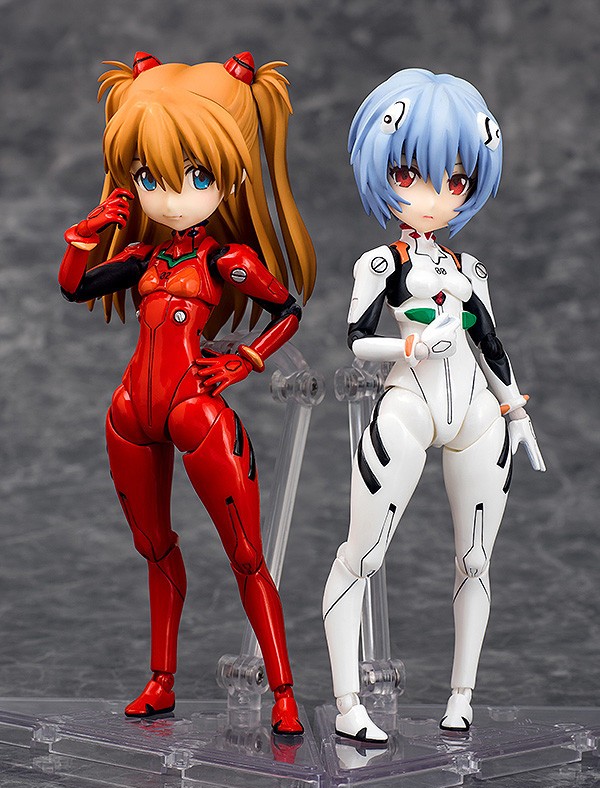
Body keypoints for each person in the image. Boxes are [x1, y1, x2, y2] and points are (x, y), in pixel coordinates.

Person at [58, 51, 316, 735]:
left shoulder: (225, 259)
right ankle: (161, 681)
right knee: (154, 547)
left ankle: (283, 692)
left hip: (195, 411)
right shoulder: (142, 257)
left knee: (246, 555)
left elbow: (287, 309)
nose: (171, 196)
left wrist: (246, 360)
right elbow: (74, 287)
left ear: (230, 174)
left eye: (196, 175)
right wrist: (84, 235)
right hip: (131, 411)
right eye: (150, 176)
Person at [322, 68, 544, 743]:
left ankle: (461, 697)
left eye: (456, 180)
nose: (433, 196)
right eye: (409, 174)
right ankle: (347, 704)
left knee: (475, 560)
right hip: (409, 402)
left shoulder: (469, 270)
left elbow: (490, 342)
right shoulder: (380, 264)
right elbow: (358, 340)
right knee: (362, 556)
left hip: (476, 412)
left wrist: (516, 411)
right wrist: (411, 346)